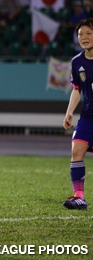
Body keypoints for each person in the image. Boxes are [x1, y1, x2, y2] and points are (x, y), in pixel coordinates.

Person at [63, 18, 93, 210]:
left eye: (88, 33)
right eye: (81, 34)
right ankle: (79, 197)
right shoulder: (77, 62)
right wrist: (69, 113)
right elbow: (76, 89)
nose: (84, 37)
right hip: (88, 117)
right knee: (76, 151)